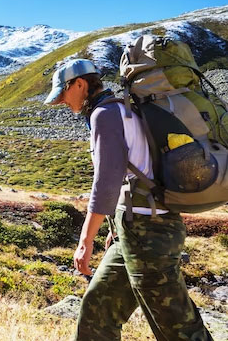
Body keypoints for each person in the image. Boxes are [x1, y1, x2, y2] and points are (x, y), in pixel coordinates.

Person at [44, 59, 213, 341]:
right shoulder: (121, 110)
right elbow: (131, 176)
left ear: (80, 84)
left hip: (149, 233)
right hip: (135, 231)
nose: (62, 101)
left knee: (179, 330)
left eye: (63, 92)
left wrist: (86, 242)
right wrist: (116, 229)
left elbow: (107, 182)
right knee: (98, 311)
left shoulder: (105, 115)